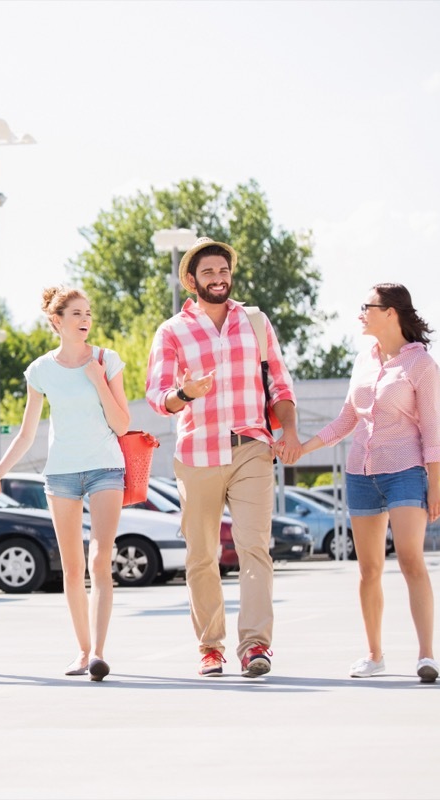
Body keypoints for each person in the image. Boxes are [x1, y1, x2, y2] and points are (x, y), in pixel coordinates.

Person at [145, 237, 300, 678]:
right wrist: (185, 393)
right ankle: (210, 646)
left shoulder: (254, 321)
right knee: (202, 555)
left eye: (224, 270)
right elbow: (158, 397)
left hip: (252, 445)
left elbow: (280, 385)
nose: (219, 278)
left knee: (254, 549)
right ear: (192, 280)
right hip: (198, 453)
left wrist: (287, 430)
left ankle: (254, 646)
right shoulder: (172, 331)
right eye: (209, 272)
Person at [299, 283, 440, 683]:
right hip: (361, 473)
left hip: (405, 472)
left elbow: (433, 432)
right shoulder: (364, 360)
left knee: (412, 561)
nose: (361, 313)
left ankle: (426, 655)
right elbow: (347, 418)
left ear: (391, 312)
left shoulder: (422, 366)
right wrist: (303, 447)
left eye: (368, 306)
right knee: (369, 570)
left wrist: (435, 484)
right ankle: (374, 654)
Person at [0, 285, 130, 681]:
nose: (85, 320)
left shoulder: (108, 360)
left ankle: (100, 653)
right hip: (61, 474)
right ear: (56, 321)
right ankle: (83, 651)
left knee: (99, 560)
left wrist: (98, 380)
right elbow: (25, 434)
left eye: (88, 313)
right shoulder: (40, 370)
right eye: (76, 314)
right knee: (72, 569)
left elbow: (122, 424)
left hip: (106, 467)